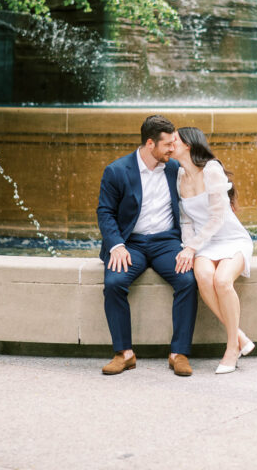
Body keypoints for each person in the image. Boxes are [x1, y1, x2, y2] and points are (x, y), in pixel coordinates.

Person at [97, 114, 198, 376]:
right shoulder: (117, 170)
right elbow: (105, 212)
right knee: (114, 283)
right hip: (131, 243)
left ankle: (179, 353)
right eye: (167, 145)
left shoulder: (176, 169)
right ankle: (124, 353)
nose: (171, 149)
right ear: (150, 143)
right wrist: (116, 245)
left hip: (166, 242)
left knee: (187, 281)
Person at [171, 126, 256, 374]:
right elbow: (186, 220)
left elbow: (218, 217)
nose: (169, 143)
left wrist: (191, 248)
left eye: (174, 139)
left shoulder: (212, 170)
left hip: (231, 238)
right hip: (204, 243)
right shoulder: (179, 176)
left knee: (222, 281)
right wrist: (189, 248)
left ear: (187, 144)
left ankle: (232, 348)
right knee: (205, 277)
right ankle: (239, 336)